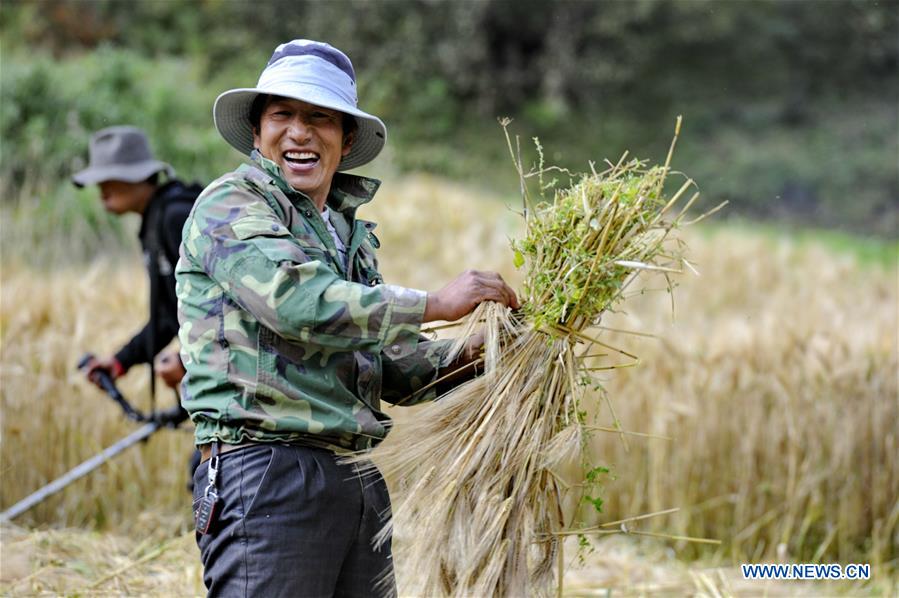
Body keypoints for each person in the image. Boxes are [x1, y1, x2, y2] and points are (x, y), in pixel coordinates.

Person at [177, 39, 519, 596]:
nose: (299, 133)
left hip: (354, 476)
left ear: (347, 138)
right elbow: (294, 303)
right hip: (266, 471)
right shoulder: (231, 204)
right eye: (282, 115)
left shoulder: (344, 234)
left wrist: (494, 348)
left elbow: (391, 368)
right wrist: (434, 303)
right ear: (258, 131)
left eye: (320, 118)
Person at [73, 126, 201, 396]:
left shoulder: (177, 217)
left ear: (138, 176)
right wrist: (121, 361)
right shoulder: (154, 220)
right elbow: (168, 316)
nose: (101, 190)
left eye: (109, 179)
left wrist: (188, 362)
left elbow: (223, 305)